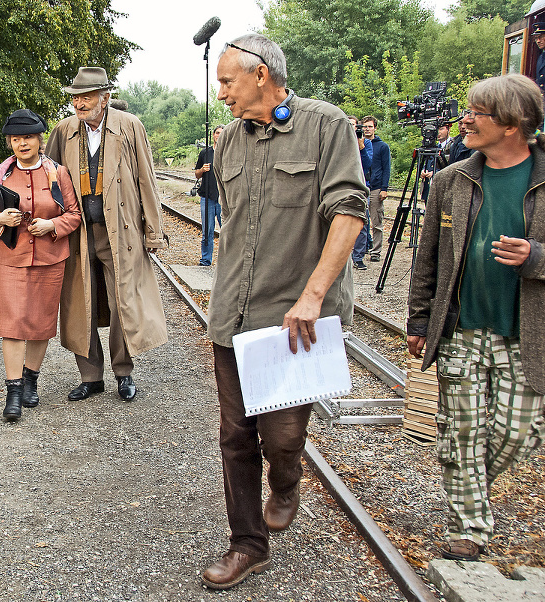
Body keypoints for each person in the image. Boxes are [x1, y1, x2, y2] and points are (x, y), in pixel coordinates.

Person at [201, 34, 367, 591]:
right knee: (235, 436)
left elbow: (348, 212)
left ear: (262, 76)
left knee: (283, 437)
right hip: (234, 316)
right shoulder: (228, 142)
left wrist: (314, 295)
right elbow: (233, 221)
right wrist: (221, 302)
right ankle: (247, 544)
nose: (219, 92)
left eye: (227, 81)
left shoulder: (327, 126)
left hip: (295, 317)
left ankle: (288, 479)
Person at [407, 74, 545, 563]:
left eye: (476, 112)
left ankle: (466, 479)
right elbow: (428, 258)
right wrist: (420, 322)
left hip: (525, 335)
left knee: (520, 431)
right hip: (462, 330)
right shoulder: (452, 179)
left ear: (512, 123)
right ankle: (470, 524)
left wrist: (536, 257)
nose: (463, 119)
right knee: (463, 429)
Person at [45, 66, 168, 402]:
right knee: (79, 303)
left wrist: (153, 233)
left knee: (122, 304)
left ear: (105, 98)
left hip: (121, 232)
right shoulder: (64, 130)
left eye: (86, 97)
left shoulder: (129, 127)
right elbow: (49, 178)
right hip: (79, 232)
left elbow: (147, 180)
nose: (79, 104)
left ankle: (123, 373)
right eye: (76, 98)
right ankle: (90, 377)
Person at [0, 109, 82, 421]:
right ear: (10, 142)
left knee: (41, 323)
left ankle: (31, 379)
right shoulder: (1, 176)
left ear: (40, 140)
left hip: (50, 259)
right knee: (12, 324)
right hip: (11, 259)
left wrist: (52, 225)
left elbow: (74, 215)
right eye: (16, 139)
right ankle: (13, 391)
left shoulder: (57, 173)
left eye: (29, 137)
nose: (23, 143)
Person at [363, 115, 391, 262]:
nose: (367, 129)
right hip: (363, 186)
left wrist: (384, 188)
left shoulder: (382, 147)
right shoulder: (359, 144)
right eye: (365, 126)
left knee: (376, 221)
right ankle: (364, 247)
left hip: (375, 187)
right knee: (362, 221)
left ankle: (376, 251)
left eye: (370, 126)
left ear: (375, 127)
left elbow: (387, 168)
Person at [195, 125, 224, 266]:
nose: (219, 135)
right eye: (217, 133)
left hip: (224, 198)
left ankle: (227, 262)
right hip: (207, 197)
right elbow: (196, 174)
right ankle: (206, 259)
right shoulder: (205, 153)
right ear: (213, 135)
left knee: (226, 231)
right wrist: (202, 169)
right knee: (207, 231)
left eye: (222, 133)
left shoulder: (229, 151)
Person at [348, 115, 373, 270]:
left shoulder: (367, 143)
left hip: (361, 186)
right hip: (344, 184)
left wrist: (361, 146)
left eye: (354, 126)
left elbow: (368, 164)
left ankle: (358, 257)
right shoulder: (339, 141)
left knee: (362, 223)